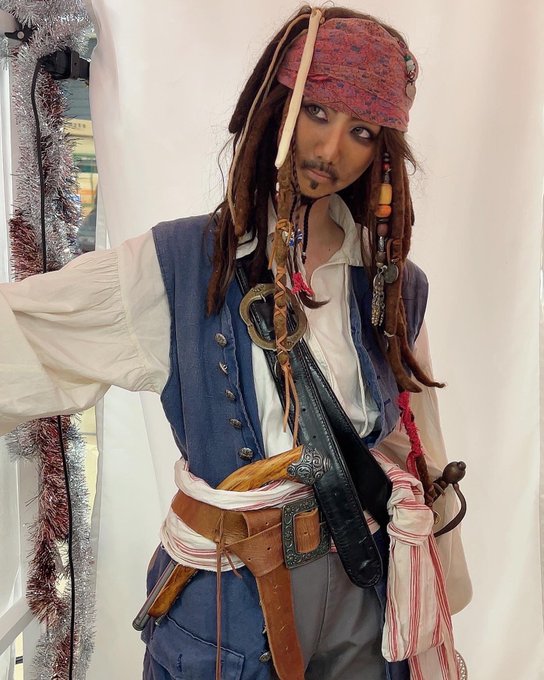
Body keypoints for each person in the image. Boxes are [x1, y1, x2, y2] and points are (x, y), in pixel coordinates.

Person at [0, 6, 471, 680]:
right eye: (316, 112)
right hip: (231, 597)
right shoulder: (178, 263)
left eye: (361, 130)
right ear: (276, 108)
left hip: (365, 578)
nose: (331, 149)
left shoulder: (393, 281)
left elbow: (416, 437)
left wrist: (441, 575)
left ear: (382, 151)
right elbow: (24, 332)